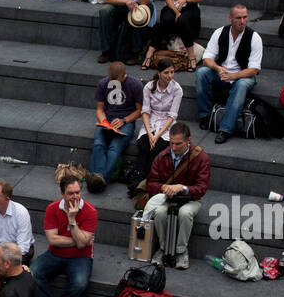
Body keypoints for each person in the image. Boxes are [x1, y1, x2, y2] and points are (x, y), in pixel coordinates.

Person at [33, 176, 97, 297]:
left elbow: (82, 246)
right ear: (62, 194)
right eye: (70, 193)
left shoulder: (90, 211)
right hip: (55, 253)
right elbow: (53, 240)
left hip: (81, 257)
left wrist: (72, 220)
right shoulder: (52, 209)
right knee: (33, 273)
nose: (75, 196)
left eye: (77, 192)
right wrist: (80, 240)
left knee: (80, 283)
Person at [142, 122, 208, 270]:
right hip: (168, 198)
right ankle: (164, 248)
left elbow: (202, 188)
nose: (174, 148)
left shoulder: (201, 157)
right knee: (159, 212)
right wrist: (162, 187)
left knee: (185, 213)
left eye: (178, 144)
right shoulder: (162, 156)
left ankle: (181, 251)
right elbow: (150, 183)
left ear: (189, 140)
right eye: (171, 143)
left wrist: (183, 188)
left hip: (191, 198)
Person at [196, 4, 262, 145]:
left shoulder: (254, 37)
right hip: (222, 72)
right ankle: (205, 116)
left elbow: (254, 69)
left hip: (243, 75)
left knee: (241, 85)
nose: (242, 21)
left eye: (245, 17)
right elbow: (206, 58)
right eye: (238, 18)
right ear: (230, 18)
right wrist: (218, 68)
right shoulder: (220, 32)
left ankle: (225, 129)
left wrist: (234, 76)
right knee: (202, 72)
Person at [87, 60, 144, 192]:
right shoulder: (103, 83)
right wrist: (104, 121)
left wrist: (124, 120)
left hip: (126, 121)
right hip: (107, 120)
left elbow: (139, 111)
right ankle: (99, 179)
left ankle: (98, 180)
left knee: (114, 148)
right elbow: (99, 109)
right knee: (98, 145)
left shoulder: (135, 85)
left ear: (124, 76)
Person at [136, 58, 183, 178]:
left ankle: (146, 180)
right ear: (159, 73)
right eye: (166, 72)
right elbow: (145, 111)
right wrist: (150, 134)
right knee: (144, 146)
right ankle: (138, 176)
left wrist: (157, 135)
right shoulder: (148, 87)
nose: (170, 76)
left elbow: (172, 115)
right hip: (150, 123)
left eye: (172, 72)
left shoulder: (177, 90)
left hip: (166, 126)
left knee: (156, 150)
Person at [0, 180, 35, 262]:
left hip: (19, 250)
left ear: (7, 199)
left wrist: (2, 257)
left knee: (5, 264)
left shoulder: (21, 212)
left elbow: (23, 246)